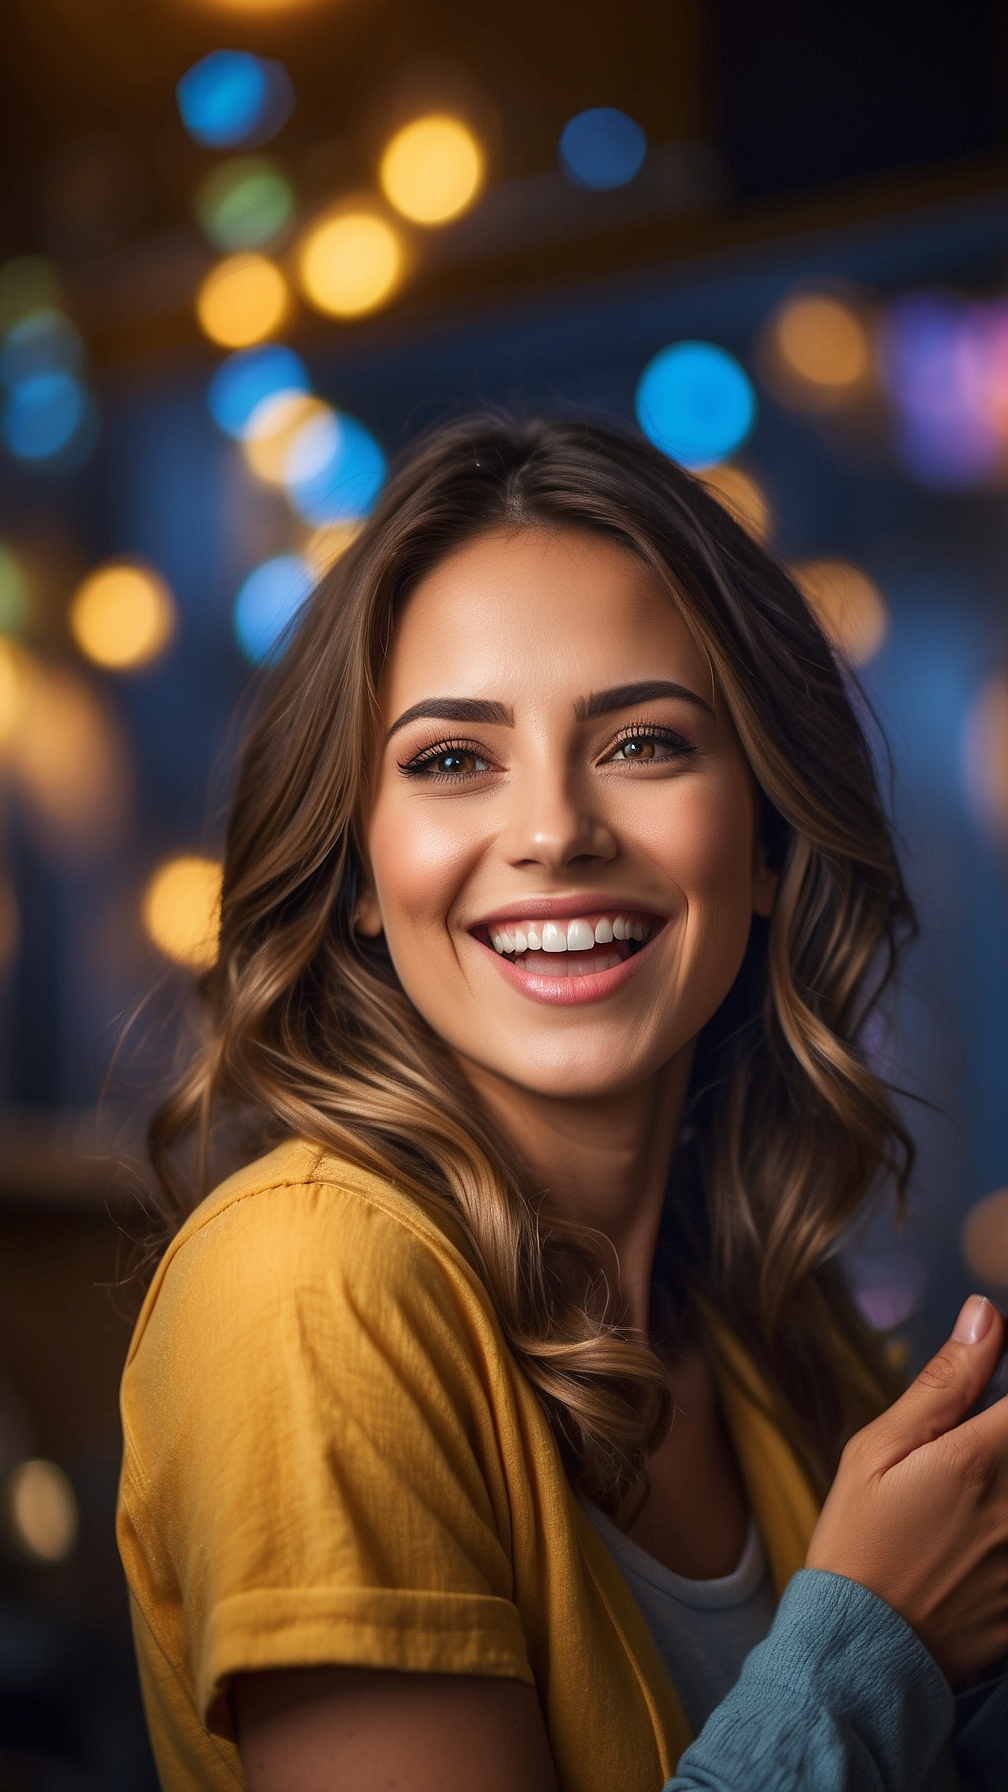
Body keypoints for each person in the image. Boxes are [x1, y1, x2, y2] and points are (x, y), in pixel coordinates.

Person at [117, 417, 1008, 1792]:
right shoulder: (303, 1283)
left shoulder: (768, 1322)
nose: (553, 831)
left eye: (644, 742)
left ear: (764, 839)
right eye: (453, 760)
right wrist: (874, 1644)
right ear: (358, 871)